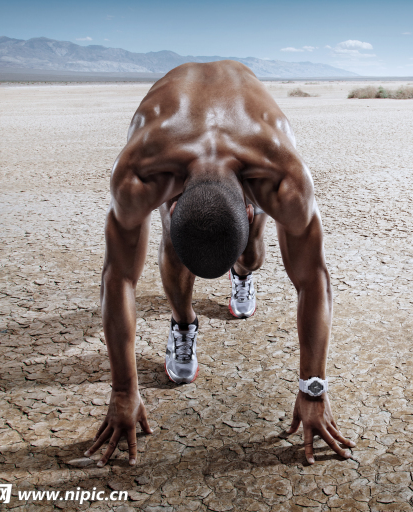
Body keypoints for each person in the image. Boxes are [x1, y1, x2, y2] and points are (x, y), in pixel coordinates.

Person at [85, 60, 354, 466]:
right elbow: (118, 277)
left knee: (252, 257)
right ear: (169, 209)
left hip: (250, 146)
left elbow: (313, 278)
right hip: (170, 136)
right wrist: (123, 391)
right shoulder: (139, 174)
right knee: (177, 255)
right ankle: (182, 322)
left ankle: (241, 273)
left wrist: (313, 390)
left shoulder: (282, 179)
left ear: (252, 210)